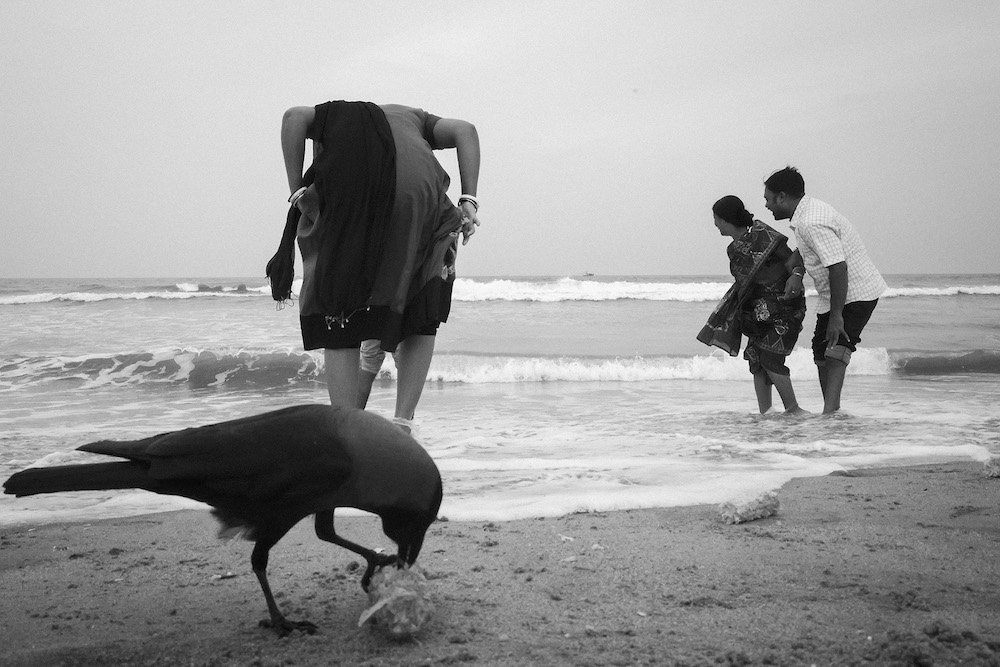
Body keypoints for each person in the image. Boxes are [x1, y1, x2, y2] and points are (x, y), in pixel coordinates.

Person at [267, 100, 481, 432]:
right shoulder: (417, 120)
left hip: (351, 192)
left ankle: (347, 428)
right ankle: (403, 424)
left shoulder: (335, 116)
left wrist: (296, 190)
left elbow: (292, 116)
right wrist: (469, 200)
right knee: (421, 301)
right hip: (420, 192)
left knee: (337, 305)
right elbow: (466, 130)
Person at [763, 166, 886, 414]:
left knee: (835, 352)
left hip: (856, 291)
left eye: (768, 199)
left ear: (782, 196)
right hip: (833, 295)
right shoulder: (806, 215)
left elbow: (838, 266)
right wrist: (797, 273)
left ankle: (830, 415)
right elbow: (813, 252)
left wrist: (837, 316)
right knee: (820, 353)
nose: (767, 206)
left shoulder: (811, 221)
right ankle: (832, 413)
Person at [698, 195, 807, 414]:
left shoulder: (764, 235)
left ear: (726, 219)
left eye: (716, 219)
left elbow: (795, 260)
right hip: (755, 315)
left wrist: (796, 275)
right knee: (756, 360)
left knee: (770, 357)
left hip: (784, 308)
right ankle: (765, 413)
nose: (715, 224)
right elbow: (745, 283)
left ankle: (793, 409)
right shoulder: (733, 249)